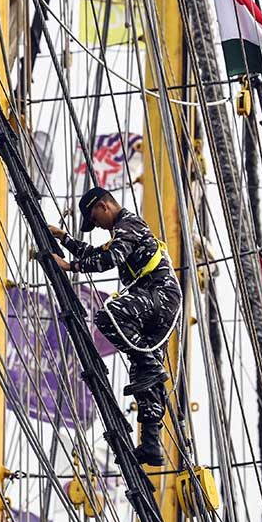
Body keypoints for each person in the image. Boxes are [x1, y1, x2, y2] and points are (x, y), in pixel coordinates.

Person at [48, 187, 181, 466]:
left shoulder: (128, 224)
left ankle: (149, 362)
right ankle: (151, 444)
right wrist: (65, 239)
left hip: (159, 296)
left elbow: (110, 259)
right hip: (157, 304)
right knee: (144, 375)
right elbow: (99, 251)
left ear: (104, 206)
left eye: (94, 218)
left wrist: (70, 267)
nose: (95, 225)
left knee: (109, 316)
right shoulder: (122, 231)